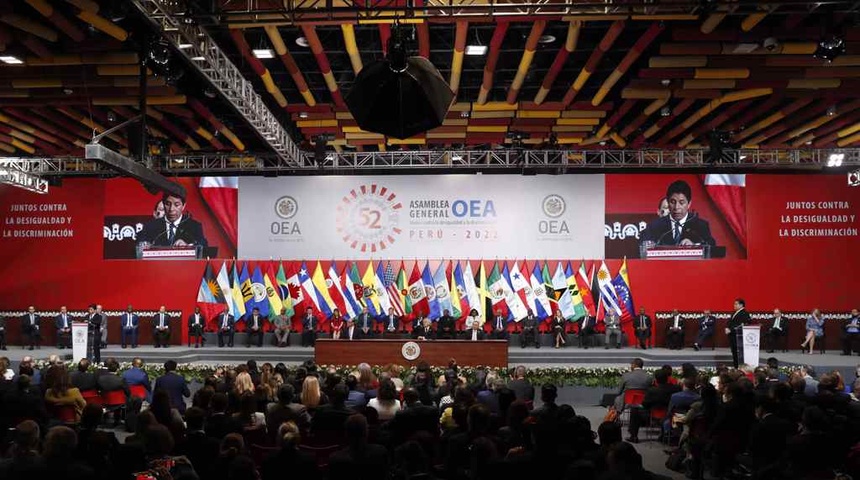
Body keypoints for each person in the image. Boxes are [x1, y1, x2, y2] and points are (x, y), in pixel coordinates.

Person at [640, 179, 716, 248]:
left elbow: (711, 244)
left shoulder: (700, 225)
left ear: (689, 204)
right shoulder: (655, 226)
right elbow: (642, 244)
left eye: (681, 203)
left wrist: (694, 245)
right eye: (673, 202)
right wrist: (648, 245)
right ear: (668, 203)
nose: (676, 207)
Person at [626, 369, 680, 443]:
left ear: (656, 379)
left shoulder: (652, 390)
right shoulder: (675, 388)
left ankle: (634, 436)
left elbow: (645, 404)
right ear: (667, 378)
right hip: (670, 414)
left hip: (654, 414)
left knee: (635, 409)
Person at [137, 191, 208, 247]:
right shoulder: (150, 226)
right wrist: (144, 245)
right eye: (168, 204)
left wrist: (188, 246)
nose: (171, 209)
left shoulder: (194, 226)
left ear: (183, 206)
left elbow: (203, 246)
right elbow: (139, 245)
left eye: (176, 205)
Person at [727, 298, 751, 367]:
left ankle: (738, 367)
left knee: (738, 353)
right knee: (734, 352)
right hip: (732, 336)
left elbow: (741, 324)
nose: (734, 305)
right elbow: (730, 322)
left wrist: (731, 330)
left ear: (741, 305)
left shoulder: (744, 313)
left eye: (736, 304)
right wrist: (727, 327)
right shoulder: (734, 312)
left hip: (738, 336)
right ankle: (736, 367)